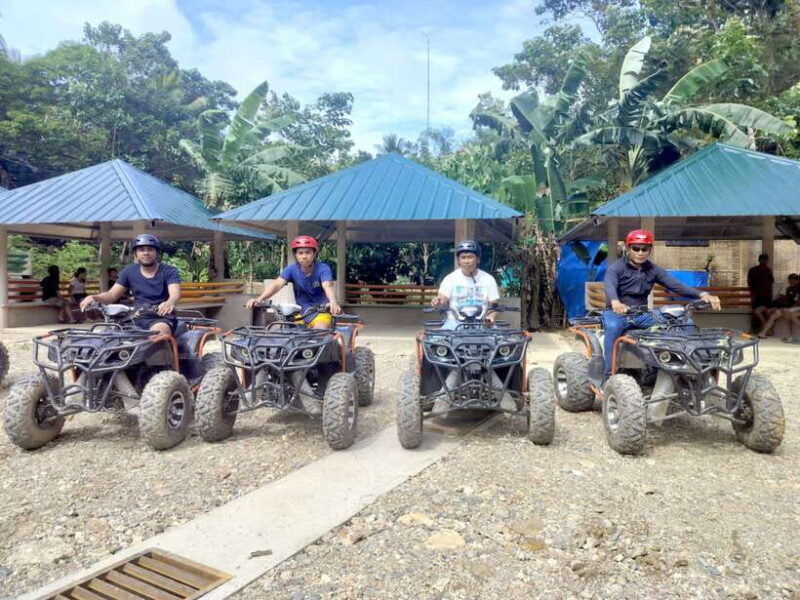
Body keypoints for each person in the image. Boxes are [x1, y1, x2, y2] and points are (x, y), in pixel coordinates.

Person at [603, 229, 721, 378]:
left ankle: (679, 368)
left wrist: (703, 294)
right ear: (628, 249)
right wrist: (615, 301)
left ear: (649, 250)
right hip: (617, 314)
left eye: (644, 249)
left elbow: (676, 285)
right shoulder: (616, 268)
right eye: (636, 248)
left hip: (642, 314)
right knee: (612, 330)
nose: (640, 252)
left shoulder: (653, 269)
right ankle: (608, 376)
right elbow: (610, 285)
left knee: (676, 325)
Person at [79, 234, 181, 336]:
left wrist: (169, 302)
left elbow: (175, 294)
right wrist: (94, 297)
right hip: (135, 317)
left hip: (161, 318)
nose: (146, 253)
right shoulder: (129, 271)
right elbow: (112, 295)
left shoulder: (169, 271)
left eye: (150, 249)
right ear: (135, 253)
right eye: (141, 249)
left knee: (157, 335)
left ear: (156, 252)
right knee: (106, 338)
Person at [245, 235, 341, 329]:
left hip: (321, 312)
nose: (304, 256)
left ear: (314, 253)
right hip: (300, 314)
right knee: (285, 333)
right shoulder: (291, 269)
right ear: (295, 255)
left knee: (319, 331)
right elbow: (277, 284)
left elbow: (327, 285)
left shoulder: (323, 268)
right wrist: (259, 299)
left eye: (308, 252)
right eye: (300, 253)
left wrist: (333, 301)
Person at [432, 239, 500, 329]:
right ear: (458, 261)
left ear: (478, 259)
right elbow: (442, 301)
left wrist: (491, 317)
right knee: (436, 342)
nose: (466, 261)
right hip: (454, 322)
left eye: (470, 257)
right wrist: (438, 303)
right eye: (463, 257)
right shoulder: (450, 279)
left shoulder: (488, 279)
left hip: (481, 322)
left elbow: (494, 305)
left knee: (501, 341)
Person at [757, 273, 800, 340]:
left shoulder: (798, 289)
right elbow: (786, 301)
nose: (792, 281)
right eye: (790, 279)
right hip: (790, 307)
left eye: (794, 280)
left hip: (796, 307)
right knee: (774, 315)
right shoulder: (789, 289)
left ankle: (790, 336)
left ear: (798, 280)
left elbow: (797, 303)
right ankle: (762, 333)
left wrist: (787, 308)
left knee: (787, 313)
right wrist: (780, 308)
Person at [747, 253, 775, 333]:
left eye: (765, 259)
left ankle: (763, 328)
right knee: (755, 312)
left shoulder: (768, 270)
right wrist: (752, 294)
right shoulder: (754, 270)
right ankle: (756, 329)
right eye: (762, 259)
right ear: (759, 260)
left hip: (765, 296)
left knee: (764, 313)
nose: (763, 261)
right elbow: (750, 283)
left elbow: (771, 283)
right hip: (757, 295)